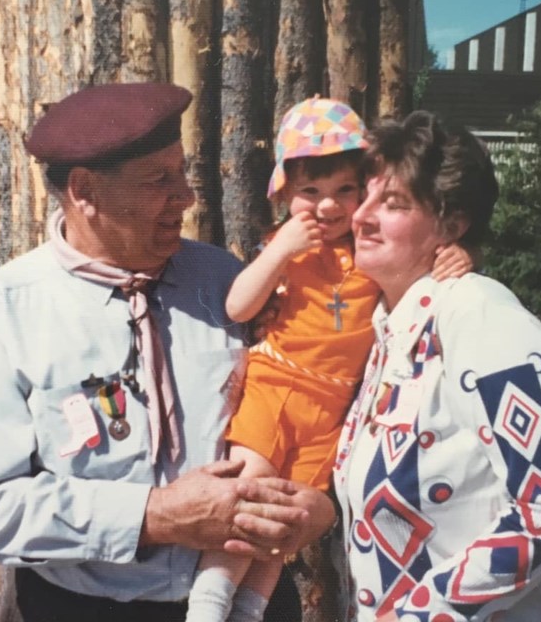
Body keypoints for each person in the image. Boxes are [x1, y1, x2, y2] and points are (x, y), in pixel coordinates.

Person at [0, 82, 336, 622]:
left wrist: (321, 509)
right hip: (83, 608)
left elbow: (323, 392)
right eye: (159, 180)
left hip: (246, 601)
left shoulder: (229, 285)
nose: (187, 196)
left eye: (183, 172)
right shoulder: (7, 313)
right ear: (84, 191)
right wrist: (154, 516)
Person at [185, 98, 472, 622]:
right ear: (285, 194)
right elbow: (237, 306)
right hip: (277, 386)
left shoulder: (369, 250)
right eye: (310, 193)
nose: (329, 207)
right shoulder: (286, 246)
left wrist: (455, 256)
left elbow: (419, 273)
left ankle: (248, 610)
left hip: (335, 406)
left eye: (346, 189)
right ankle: (205, 606)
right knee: (250, 497)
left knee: (287, 517)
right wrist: (278, 251)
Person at [334, 111, 541, 621]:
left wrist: (421, 615)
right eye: (364, 195)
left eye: (392, 203)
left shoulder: (478, 316)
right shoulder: (392, 330)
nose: (361, 216)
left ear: (451, 225)